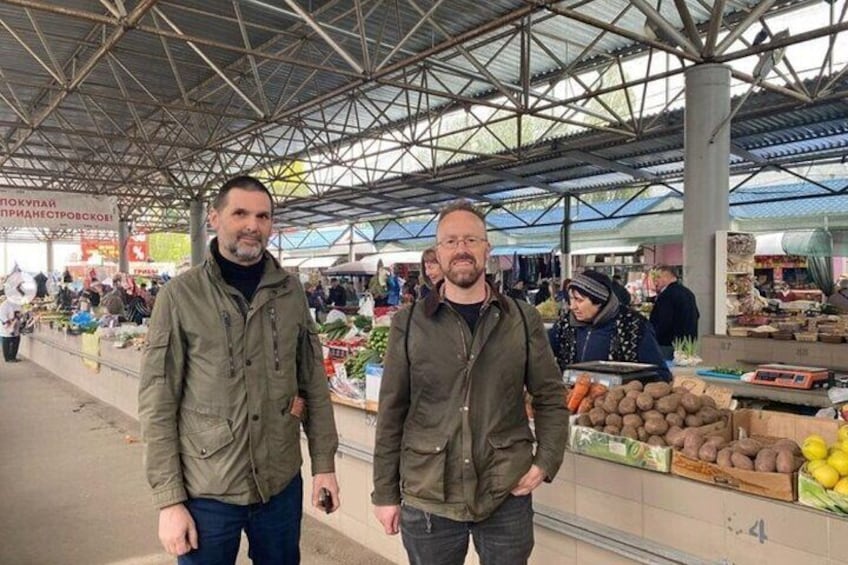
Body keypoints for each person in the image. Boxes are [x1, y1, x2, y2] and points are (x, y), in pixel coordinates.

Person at [138, 175, 340, 564]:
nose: (253, 225)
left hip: (279, 485)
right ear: (214, 217)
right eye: (240, 213)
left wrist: (324, 465)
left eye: (263, 216)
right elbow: (157, 402)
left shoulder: (290, 291)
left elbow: (313, 382)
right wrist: (169, 501)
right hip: (207, 491)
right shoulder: (180, 296)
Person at [372, 200, 568, 565]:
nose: (461, 249)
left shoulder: (521, 320)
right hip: (429, 493)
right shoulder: (409, 322)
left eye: (471, 240)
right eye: (451, 241)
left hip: (505, 490)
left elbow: (551, 396)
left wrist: (546, 460)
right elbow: (392, 411)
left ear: (486, 249)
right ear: (438, 253)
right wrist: (384, 492)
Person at [550, 271, 671, 381]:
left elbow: (660, 374)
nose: (573, 306)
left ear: (599, 301)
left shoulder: (633, 326)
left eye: (579, 300)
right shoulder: (564, 325)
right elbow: (541, 349)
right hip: (570, 399)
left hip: (616, 401)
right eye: (571, 299)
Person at [649, 265, 699, 359]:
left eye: (658, 277)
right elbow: (696, 315)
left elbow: (663, 321)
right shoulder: (688, 293)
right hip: (688, 344)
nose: (655, 281)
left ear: (666, 277)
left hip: (668, 345)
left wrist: (652, 338)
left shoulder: (667, 295)